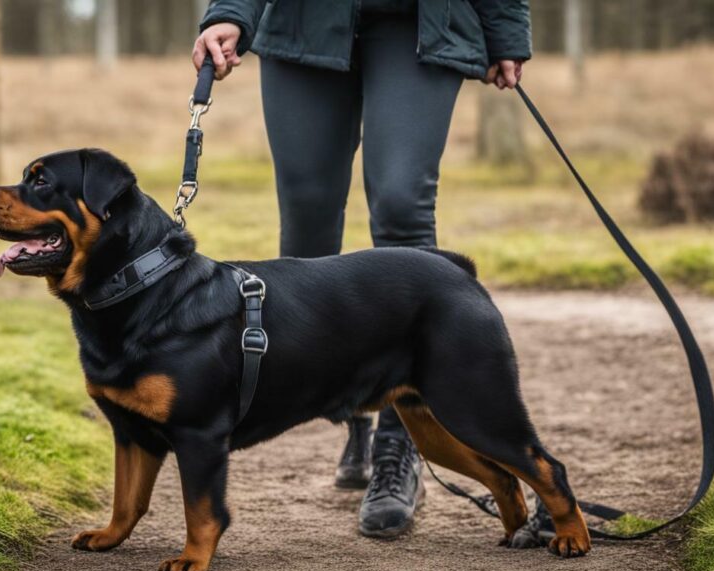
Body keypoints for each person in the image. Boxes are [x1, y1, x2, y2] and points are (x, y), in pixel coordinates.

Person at [193, 0, 531, 539]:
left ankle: (399, 445)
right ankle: (351, 405)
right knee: (306, 226)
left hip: (422, 21)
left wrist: (504, 25)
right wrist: (230, 12)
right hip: (305, 21)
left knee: (402, 206)